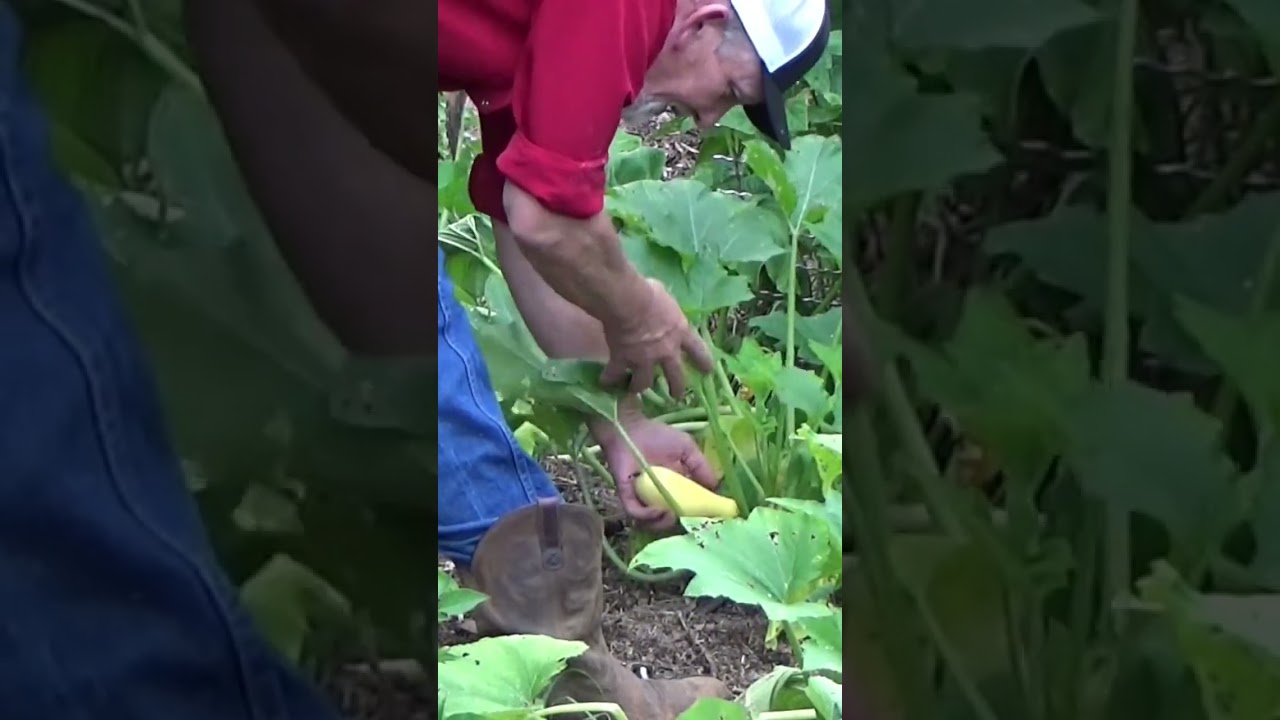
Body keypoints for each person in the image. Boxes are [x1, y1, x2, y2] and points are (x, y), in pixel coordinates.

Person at [0, 0, 828, 717]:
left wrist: (625, 424)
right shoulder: (625, 7)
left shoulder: (560, 40)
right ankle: (565, 667)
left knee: (394, 299)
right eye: (735, 93)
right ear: (708, 23)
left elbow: (520, 223)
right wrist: (638, 310)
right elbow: (549, 218)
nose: (715, 120)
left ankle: (548, 649)